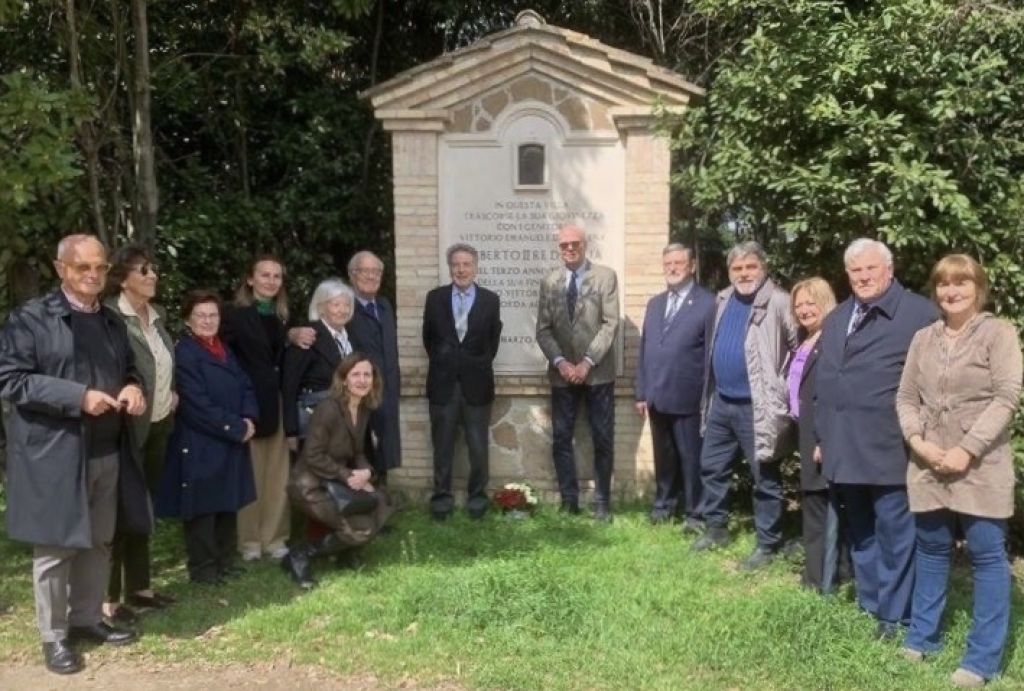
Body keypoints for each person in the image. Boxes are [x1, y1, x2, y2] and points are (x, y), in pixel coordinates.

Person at [0, 234, 149, 675]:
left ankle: (86, 619)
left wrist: (133, 386)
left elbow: (130, 368)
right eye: (82, 267)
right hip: (54, 454)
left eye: (100, 268)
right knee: (55, 549)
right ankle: (54, 635)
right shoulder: (30, 319)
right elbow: (11, 380)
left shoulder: (110, 321)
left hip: (106, 450)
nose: (93, 276)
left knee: (99, 541)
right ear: (60, 268)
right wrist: (77, 396)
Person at [896, 255, 1022, 687]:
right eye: (944, 285)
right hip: (928, 462)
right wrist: (919, 443)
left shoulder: (999, 334)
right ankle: (922, 638)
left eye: (961, 283)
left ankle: (981, 660)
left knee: (987, 555)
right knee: (931, 551)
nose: (951, 292)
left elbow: (1007, 397)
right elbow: (906, 398)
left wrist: (967, 450)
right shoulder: (922, 339)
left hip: (981, 465)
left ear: (978, 288)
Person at [815, 238, 939, 640]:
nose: (863, 277)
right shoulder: (836, 318)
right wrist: (822, 436)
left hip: (891, 447)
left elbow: (935, 384)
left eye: (871, 269)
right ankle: (871, 604)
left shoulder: (920, 313)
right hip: (842, 445)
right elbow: (826, 380)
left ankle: (895, 614)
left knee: (895, 535)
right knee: (861, 533)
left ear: (889, 270)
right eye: (855, 271)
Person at [691, 241, 796, 571]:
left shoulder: (779, 302)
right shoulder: (723, 299)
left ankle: (767, 543)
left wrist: (782, 391)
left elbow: (798, 348)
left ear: (763, 267)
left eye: (750, 266)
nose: (744, 273)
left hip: (758, 407)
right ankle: (717, 528)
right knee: (712, 467)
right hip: (722, 401)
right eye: (737, 268)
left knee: (764, 476)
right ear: (729, 272)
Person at [155, 290, 258, 585]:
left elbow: (245, 384)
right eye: (201, 315)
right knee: (203, 509)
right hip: (200, 440)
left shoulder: (224, 348)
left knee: (228, 503)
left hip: (230, 439)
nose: (208, 321)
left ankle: (225, 562)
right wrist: (235, 428)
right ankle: (203, 570)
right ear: (188, 319)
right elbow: (196, 403)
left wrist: (249, 418)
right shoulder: (185, 352)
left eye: (213, 315)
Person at [102, 245, 178, 623]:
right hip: (123, 431)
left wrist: (170, 389)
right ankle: (108, 599)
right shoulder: (111, 317)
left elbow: (159, 364)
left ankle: (141, 588)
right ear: (122, 277)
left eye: (154, 269)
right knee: (117, 513)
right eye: (144, 270)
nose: (152, 275)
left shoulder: (157, 316)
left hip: (159, 424)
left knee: (142, 508)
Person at [221, 254, 313, 562]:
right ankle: (249, 542)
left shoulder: (281, 315)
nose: (271, 281)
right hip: (247, 404)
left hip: (276, 402)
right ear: (250, 279)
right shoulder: (232, 315)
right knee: (251, 473)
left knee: (277, 474)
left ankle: (275, 538)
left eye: (276, 276)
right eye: (265, 275)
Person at [282, 353, 396, 588]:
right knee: (361, 530)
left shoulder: (362, 408)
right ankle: (300, 554)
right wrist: (347, 475)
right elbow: (313, 455)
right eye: (356, 374)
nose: (362, 380)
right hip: (310, 485)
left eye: (367, 374)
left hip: (336, 482)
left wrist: (366, 473)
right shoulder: (328, 409)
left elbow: (358, 453)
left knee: (382, 501)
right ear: (344, 379)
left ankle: (345, 555)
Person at [536, 224, 620, 521]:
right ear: (558, 248)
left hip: (598, 375)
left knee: (602, 438)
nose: (569, 249)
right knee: (561, 438)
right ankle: (569, 501)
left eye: (575, 244)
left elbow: (610, 324)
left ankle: (602, 504)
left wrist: (586, 362)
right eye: (563, 245)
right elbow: (543, 330)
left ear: (585, 245)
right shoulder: (550, 281)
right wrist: (561, 362)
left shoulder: (605, 276)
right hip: (562, 375)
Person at [634, 243, 715, 528]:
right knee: (664, 458)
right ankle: (664, 506)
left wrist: (707, 397)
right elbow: (645, 349)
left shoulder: (708, 304)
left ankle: (696, 513)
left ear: (692, 266)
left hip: (689, 398)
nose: (672, 268)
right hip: (657, 395)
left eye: (679, 263)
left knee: (692, 460)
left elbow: (709, 357)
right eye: (668, 263)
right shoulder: (656, 304)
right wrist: (641, 391)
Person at [422, 243, 502, 520]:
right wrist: (448, 363)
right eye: (456, 264)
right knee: (442, 447)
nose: (461, 269)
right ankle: (441, 502)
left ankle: (477, 501)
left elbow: (492, 343)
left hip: (476, 386)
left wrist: (471, 365)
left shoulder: (491, 300)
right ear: (450, 267)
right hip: (443, 385)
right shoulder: (435, 298)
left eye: (467, 264)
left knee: (478, 448)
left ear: (475, 267)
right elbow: (428, 340)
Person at [785, 277, 837, 592]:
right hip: (804, 432)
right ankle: (814, 574)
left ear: (826, 302)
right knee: (813, 505)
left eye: (810, 302)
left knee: (821, 507)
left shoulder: (830, 340)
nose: (804, 310)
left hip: (820, 436)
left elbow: (830, 394)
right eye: (799, 304)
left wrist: (823, 438)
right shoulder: (807, 339)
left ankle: (821, 581)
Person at [346, 250, 402, 478]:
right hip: (358, 390)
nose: (371, 276)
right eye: (365, 271)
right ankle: (360, 503)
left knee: (385, 446)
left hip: (386, 387)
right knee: (360, 446)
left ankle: (380, 496)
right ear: (352, 274)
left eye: (376, 271)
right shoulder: (345, 307)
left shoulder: (385, 306)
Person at [282, 278, 356, 448]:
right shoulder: (307, 336)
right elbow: (289, 386)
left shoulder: (352, 337)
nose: (342, 310)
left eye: (347, 305)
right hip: (315, 422)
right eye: (335, 305)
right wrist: (291, 431)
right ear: (321, 308)